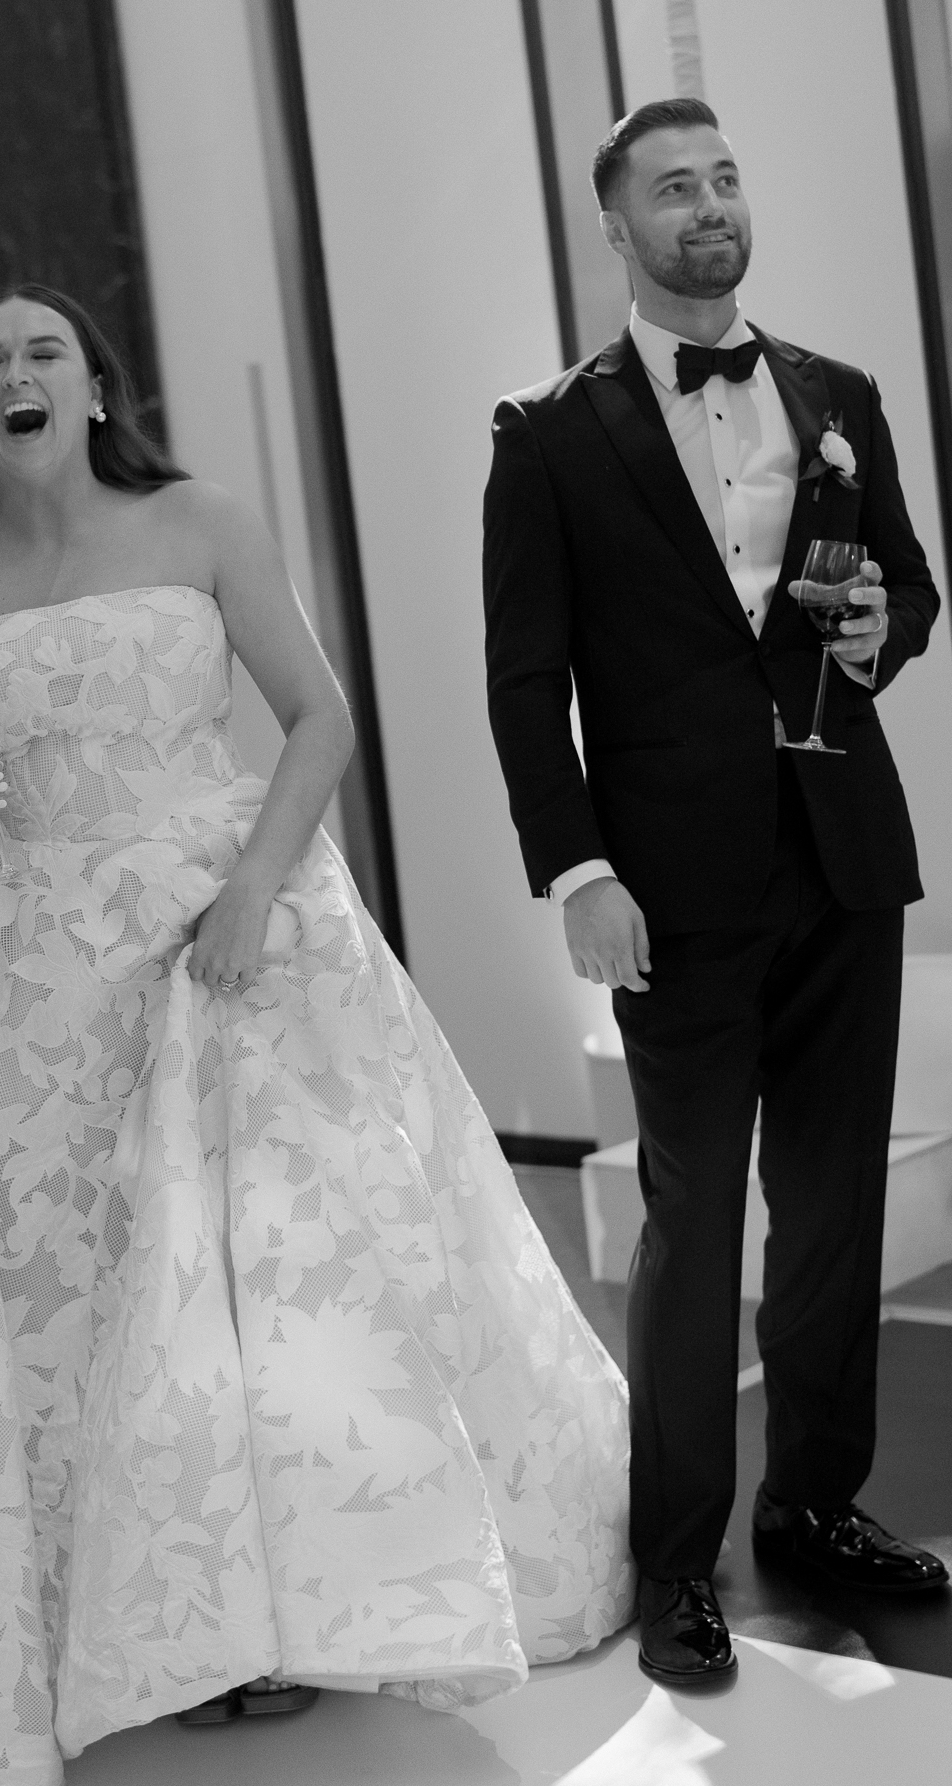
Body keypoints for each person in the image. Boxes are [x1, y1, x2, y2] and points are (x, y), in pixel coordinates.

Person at [0, 283, 634, 1784]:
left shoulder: (199, 520)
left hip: (224, 928)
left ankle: (289, 1612)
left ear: (91, 387)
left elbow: (317, 718)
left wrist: (254, 889)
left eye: (42, 351)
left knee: (267, 1279)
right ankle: (149, 1623)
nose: (14, 372)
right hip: (23, 967)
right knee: (75, 1289)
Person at [483, 98, 948, 1691]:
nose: (708, 206)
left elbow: (907, 593)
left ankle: (814, 1505)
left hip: (839, 856)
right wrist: (580, 870)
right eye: (671, 189)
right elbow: (521, 680)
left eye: (723, 178)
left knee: (832, 1209)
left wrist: (882, 625)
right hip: (666, 895)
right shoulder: (545, 433)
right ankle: (676, 1554)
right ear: (615, 227)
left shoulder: (836, 395)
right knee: (693, 1221)